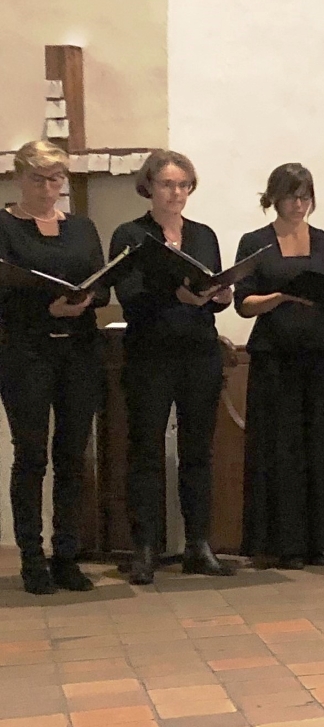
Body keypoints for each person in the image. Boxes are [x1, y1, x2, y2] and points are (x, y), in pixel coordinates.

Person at [109, 150, 233, 583]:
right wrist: (173, 297)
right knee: (145, 450)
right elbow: (127, 293)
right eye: (167, 184)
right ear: (149, 187)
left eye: (183, 185)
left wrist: (220, 295)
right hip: (151, 353)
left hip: (199, 349)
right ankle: (145, 547)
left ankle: (198, 544)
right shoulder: (131, 233)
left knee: (198, 451)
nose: (176, 192)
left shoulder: (203, 235)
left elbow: (214, 284)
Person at [235, 163, 324, 570]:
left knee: (321, 446)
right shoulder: (255, 243)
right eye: (291, 196)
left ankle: (320, 540)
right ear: (274, 197)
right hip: (275, 354)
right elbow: (244, 302)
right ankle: (283, 542)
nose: (299, 203)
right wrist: (281, 296)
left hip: (321, 350)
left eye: (306, 195)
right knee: (281, 447)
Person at [0, 141, 108, 594]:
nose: (48, 189)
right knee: (31, 456)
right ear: (19, 179)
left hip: (78, 352)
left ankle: (67, 554)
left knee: (72, 456)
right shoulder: (4, 226)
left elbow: (102, 285)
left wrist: (86, 299)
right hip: (25, 352)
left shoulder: (81, 228)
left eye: (55, 179)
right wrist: (48, 309)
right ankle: (32, 558)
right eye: (38, 179)